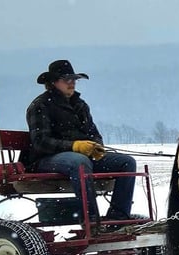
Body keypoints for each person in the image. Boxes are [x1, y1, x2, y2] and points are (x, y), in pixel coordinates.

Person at [25, 60, 136, 226]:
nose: (72, 83)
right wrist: (74, 146)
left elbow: (93, 133)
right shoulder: (40, 105)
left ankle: (118, 219)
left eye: (74, 79)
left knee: (127, 162)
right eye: (66, 80)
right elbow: (41, 142)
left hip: (80, 158)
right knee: (79, 163)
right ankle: (91, 220)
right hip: (46, 160)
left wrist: (96, 146)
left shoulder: (80, 105)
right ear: (53, 82)